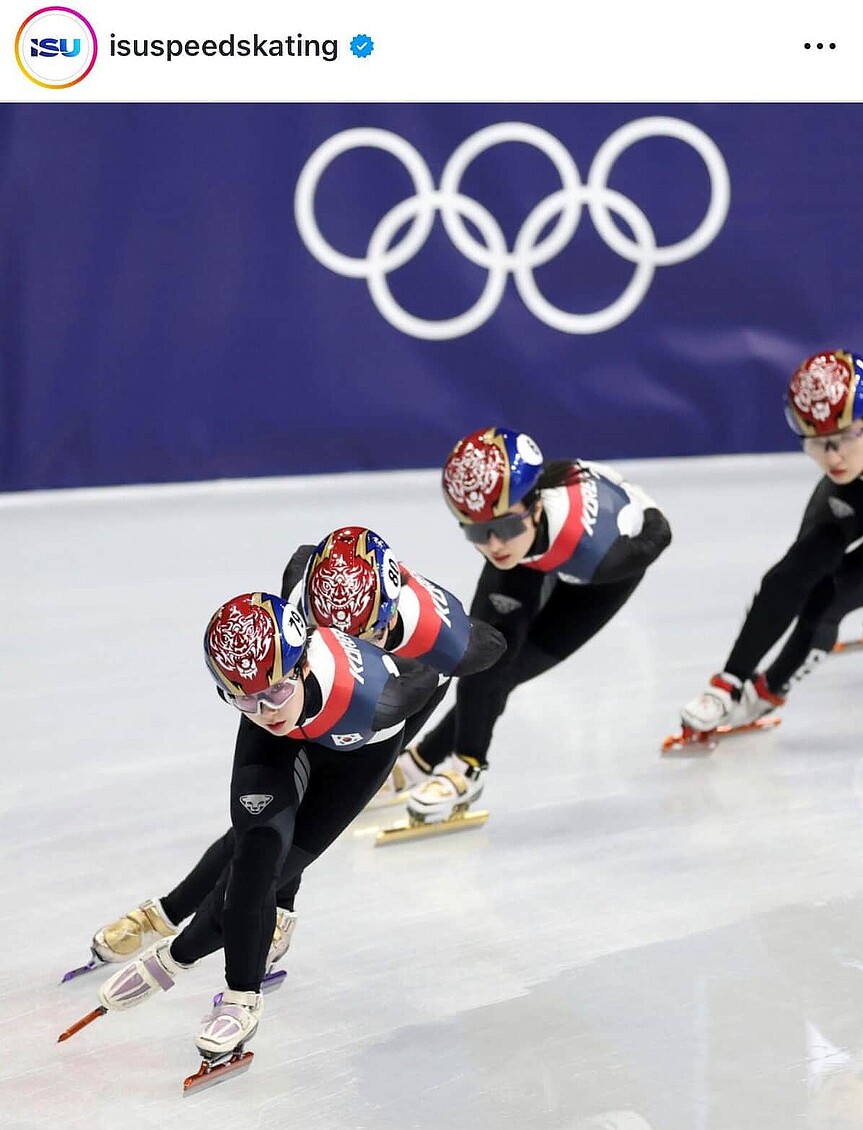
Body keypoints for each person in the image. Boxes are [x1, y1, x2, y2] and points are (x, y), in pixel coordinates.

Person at [93, 590, 445, 1064]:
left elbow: (452, 664)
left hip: (356, 755)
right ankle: (241, 991)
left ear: (302, 665)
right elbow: (301, 566)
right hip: (283, 746)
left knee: (279, 864)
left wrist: (173, 961)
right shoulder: (269, 702)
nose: (266, 711)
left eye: (274, 693)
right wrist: (270, 696)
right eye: (245, 700)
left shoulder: (381, 696)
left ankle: (195, 948)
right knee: (257, 849)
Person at [384, 426, 672, 826]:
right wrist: (508, 530)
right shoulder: (509, 522)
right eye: (476, 531)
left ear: (535, 507)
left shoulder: (598, 550)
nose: (493, 545)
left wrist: (645, 505)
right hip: (532, 556)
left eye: (504, 527)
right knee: (482, 661)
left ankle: (464, 771)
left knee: (510, 671)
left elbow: (662, 534)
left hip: (597, 580)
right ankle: (426, 762)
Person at [680, 349, 863, 735]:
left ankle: (769, 690)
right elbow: (790, 581)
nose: (833, 457)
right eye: (816, 443)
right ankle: (729, 685)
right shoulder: (846, 466)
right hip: (856, 494)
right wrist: (732, 677)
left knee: (830, 598)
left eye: (843, 439)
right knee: (802, 567)